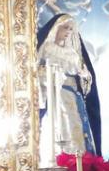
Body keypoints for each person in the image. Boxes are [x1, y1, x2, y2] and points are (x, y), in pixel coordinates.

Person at [36, 14, 100, 156]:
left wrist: (85, 76)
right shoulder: (46, 48)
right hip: (56, 96)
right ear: (55, 29)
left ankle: (79, 165)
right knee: (61, 129)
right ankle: (62, 161)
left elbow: (85, 77)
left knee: (77, 129)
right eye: (65, 28)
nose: (68, 32)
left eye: (71, 29)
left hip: (74, 96)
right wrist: (52, 75)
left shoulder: (72, 53)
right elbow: (36, 72)